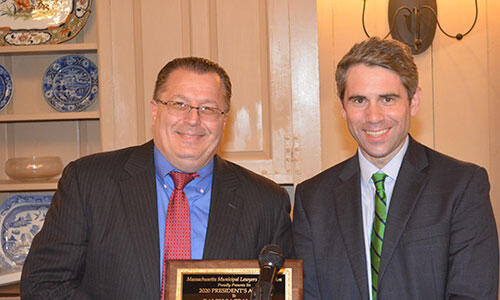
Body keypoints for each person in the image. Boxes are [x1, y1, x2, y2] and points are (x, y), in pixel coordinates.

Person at [21, 57, 293, 299]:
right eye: (179, 104)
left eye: (208, 108)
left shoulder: (266, 201)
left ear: (225, 119)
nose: (193, 119)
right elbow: (43, 285)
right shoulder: (89, 182)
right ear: (155, 109)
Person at [292, 37, 498, 300]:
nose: (374, 116)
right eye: (359, 100)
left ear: (413, 101)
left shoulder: (462, 187)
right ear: (342, 107)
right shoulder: (312, 199)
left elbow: (473, 294)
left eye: (387, 99)